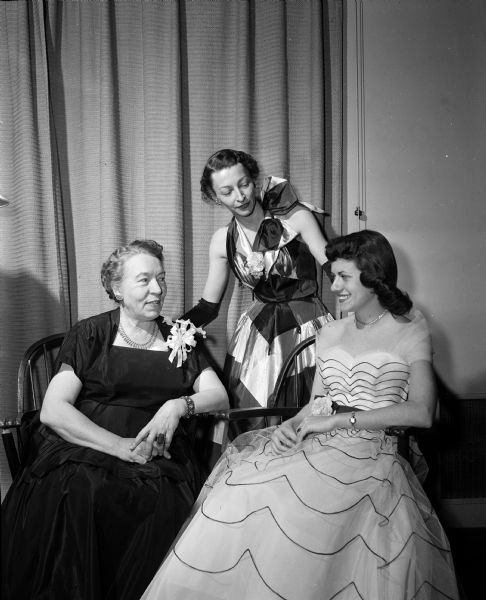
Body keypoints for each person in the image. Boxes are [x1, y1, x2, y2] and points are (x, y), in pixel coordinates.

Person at [141, 230, 459, 600]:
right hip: (320, 441)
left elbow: (421, 412)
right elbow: (316, 404)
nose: (334, 285)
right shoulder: (332, 332)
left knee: (312, 515)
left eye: (344, 277)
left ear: (373, 277)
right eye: (333, 275)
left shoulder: (410, 328)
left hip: (375, 451)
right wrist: (291, 427)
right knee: (241, 491)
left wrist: (336, 421)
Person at [1, 239, 228, 600]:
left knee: (162, 501)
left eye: (162, 278)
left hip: (158, 452)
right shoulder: (92, 333)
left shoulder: (179, 337)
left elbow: (218, 395)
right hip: (86, 443)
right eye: (144, 280)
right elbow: (53, 409)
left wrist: (176, 406)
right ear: (117, 288)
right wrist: (119, 447)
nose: (158, 289)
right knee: (82, 490)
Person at [183, 148, 333, 411]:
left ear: (254, 180)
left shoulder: (296, 218)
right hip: (258, 336)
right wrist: (170, 330)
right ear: (214, 197)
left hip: (308, 326)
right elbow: (209, 307)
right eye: (227, 192)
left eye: (244, 184)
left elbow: (335, 270)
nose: (240, 197)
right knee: (256, 415)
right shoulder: (222, 240)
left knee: (313, 409)